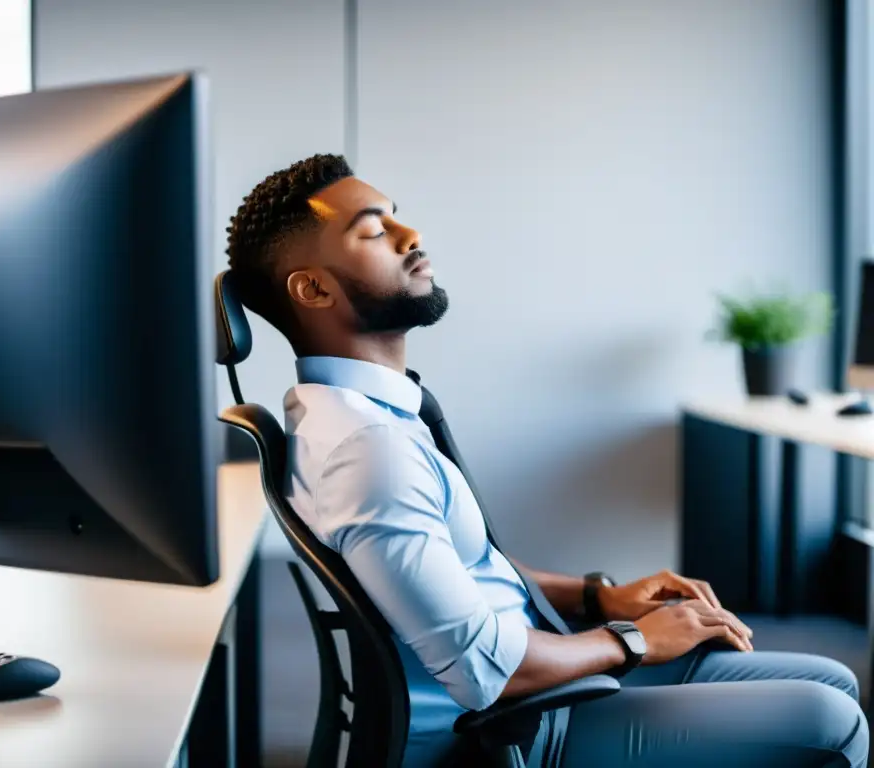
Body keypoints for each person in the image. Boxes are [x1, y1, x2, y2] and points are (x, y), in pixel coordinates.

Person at [225, 153, 869, 767]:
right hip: (516, 728)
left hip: (545, 675)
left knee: (833, 677)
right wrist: (636, 641)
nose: (410, 232)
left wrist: (601, 596)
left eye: (396, 213)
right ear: (311, 289)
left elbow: (461, 567)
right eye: (374, 230)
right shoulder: (370, 452)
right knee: (830, 721)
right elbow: (486, 668)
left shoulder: (354, 417)